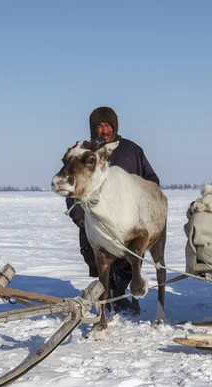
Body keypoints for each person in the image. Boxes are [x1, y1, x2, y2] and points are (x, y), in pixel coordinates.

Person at [66, 106, 160, 312]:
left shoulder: (132, 150)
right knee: (99, 262)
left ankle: (119, 295)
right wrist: (79, 217)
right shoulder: (84, 154)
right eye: (99, 126)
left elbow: (151, 181)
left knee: (130, 262)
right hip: (96, 222)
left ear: (115, 127)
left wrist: (147, 206)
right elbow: (73, 187)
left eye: (108, 126)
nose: (104, 130)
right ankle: (112, 297)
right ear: (93, 129)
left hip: (129, 221)